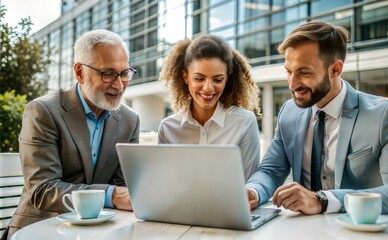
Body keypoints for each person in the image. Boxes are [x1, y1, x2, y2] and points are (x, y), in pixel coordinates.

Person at [246, 21, 388, 215]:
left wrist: (323, 201)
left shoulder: (384, 114)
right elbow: (270, 171)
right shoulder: (289, 112)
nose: (292, 84)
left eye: (304, 72)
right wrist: (253, 190)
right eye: (289, 72)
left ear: (335, 70)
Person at [3, 29, 140, 240]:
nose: (120, 84)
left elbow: (124, 189)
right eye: (108, 73)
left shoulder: (130, 121)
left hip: (99, 232)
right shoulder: (43, 111)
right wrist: (110, 195)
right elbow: (43, 190)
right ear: (79, 72)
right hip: (39, 229)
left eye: (124, 73)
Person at [158, 34, 261, 180]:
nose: (208, 88)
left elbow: (249, 184)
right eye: (199, 78)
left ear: (227, 78)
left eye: (218, 79)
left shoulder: (244, 122)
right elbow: (165, 181)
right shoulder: (168, 128)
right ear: (186, 77)